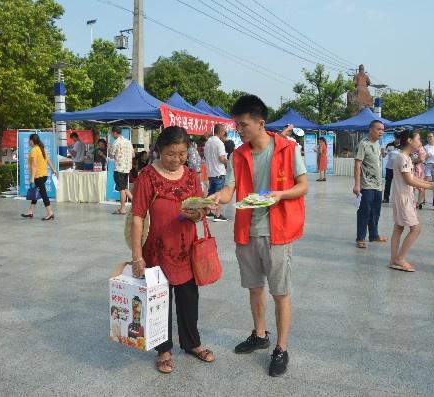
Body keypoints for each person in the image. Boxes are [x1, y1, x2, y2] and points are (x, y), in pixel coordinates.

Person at [210, 95, 308, 377]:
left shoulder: (288, 149)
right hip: (247, 231)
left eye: (243, 125)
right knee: (254, 288)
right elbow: (230, 188)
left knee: (280, 292)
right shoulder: (238, 155)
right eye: (236, 125)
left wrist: (280, 194)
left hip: (278, 231)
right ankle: (259, 334)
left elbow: (303, 186)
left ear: (260, 123)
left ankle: (281, 347)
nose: (238, 130)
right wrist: (219, 197)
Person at [130, 126, 215, 374]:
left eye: (181, 153)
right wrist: (137, 256)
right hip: (156, 251)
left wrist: (197, 213)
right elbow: (137, 217)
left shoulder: (190, 176)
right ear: (158, 151)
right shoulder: (147, 176)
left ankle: (192, 343)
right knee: (160, 302)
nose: (177, 159)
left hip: (186, 250)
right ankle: (164, 349)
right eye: (170, 154)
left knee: (189, 300)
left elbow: (201, 212)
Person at [389, 130, 434, 272]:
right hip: (403, 198)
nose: (420, 142)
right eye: (418, 139)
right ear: (410, 141)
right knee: (416, 229)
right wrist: (430, 186)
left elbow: (412, 178)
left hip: (403, 196)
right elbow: (409, 181)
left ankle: (394, 259)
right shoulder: (403, 158)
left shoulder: (406, 157)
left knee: (399, 228)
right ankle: (400, 259)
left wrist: (430, 183)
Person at [353, 120, 387, 249]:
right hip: (366, 185)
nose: (381, 132)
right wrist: (357, 184)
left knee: (376, 212)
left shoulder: (377, 145)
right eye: (379, 129)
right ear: (371, 130)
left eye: (382, 130)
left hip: (377, 185)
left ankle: (374, 235)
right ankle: (360, 238)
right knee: (364, 212)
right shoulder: (363, 144)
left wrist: (381, 183)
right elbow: (357, 165)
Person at [21, 133, 57, 221]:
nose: (28, 142)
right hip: (44, 175)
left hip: (38, 176)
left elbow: (34, 165)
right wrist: (53, 169)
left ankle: (50, 212)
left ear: (32, 141)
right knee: (35, 193)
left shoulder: (34, 150)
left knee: (43, 194)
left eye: (29, 140)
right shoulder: (42, 148)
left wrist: (32, 178)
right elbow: (48, 160)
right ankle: (30, 211)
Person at [204, 124, 229, 222]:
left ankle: (208, 212)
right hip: (219, 172)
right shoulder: (219, 143)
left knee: (211, 193)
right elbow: (222, 158)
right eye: (224, 131)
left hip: (210, 172)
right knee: (219, 194)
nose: (224, 133)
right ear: (221, 131)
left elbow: (206, 156)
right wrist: (230, 163)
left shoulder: (208, 143)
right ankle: (218, 215)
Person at [110, 126, 134, 215]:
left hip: (119, 168)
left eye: (112, 133)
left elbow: (111, 155)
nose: (112, 134)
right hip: (127, 168)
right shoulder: (128, 142)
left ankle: (123, 208)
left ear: (115, 132)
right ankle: (135, 203)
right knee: (124, 187)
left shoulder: (116, 143)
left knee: (122, 189)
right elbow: (133, 155)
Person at [382, 133, 400, 203]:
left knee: (398, 184)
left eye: (399, 138)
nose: (398, 140)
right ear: (394, 137)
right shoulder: (389, 145)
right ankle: (386, 198)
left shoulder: (403, 146)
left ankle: (397, 199)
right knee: (388, 183)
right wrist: (382, 151)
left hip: (398, 169)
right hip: (389, 167)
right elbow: (384, 155)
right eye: (397, 138)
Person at [423, 132, 434, 203]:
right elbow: (422, 158)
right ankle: (423, 199)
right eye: (428, 137)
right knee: (425, 183)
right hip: (427, 165)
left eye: (431, 136)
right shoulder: (425, 147)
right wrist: (427, 156)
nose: (429, 138)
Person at [411, 144, 427, 209]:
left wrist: (412, 161)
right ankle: (412, 202)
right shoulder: (411, 147)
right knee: (412, 187)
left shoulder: (421, 149)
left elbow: (421, 159)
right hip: (412, 169)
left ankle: (419, 203)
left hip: (419, 169)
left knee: (420, 186)